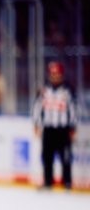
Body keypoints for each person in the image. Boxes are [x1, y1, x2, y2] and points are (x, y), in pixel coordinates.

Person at [32, 60, 77, 190]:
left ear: (62, 75)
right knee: (47, 156)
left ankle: (67, 182)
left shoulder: (68, 90)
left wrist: (73, 127)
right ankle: (48, 181)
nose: (55, 77)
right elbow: (37, 107)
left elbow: (73, 109)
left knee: (66, 157)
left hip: (63, 129)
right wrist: (36, 124)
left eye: (57, 75)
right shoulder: (44, 90)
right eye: (53, 74)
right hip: (48, 128)